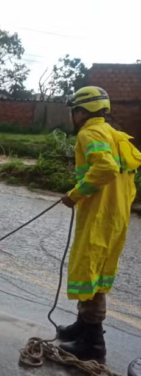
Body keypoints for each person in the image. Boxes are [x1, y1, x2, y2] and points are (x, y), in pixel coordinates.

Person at [58, 86, 138, 362]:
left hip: (98, 216)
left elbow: (105, 168)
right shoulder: (115, 135)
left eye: (74, 111)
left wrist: (74, 195)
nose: (73, 116)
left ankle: (92, 343)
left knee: (87, 272)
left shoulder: (89, 133)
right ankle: (83, 327)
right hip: (116, 216)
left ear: (80, 111)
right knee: (99, 272)